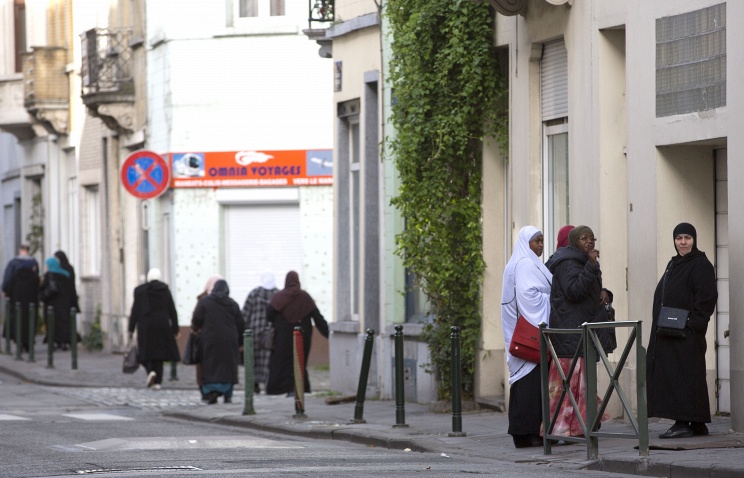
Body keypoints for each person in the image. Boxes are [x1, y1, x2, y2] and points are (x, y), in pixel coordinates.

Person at [647, 222, 717, 439]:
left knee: (685, 377)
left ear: (694, 240)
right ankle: (696, 422)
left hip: (687, 334)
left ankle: (682, 422)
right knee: (682, 377)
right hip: (671, 334)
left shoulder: (700, 264)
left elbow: (706, 299)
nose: (683, 242)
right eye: (679, 238)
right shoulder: (675, 263)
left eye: (687, 238)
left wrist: (692, 324)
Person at [546, 225, 611, 437]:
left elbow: (588, 291)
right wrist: (592, 266)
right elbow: (574, 291)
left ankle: (580, 427)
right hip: (570, 333)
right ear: (575, 241)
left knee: (582, 384)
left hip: (583, 330)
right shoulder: (568, 262)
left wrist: (604, 292)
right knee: (568, 385)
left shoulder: (583, 261)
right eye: (584, 238)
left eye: (592, 238)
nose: (589, 242)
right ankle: (558, 430)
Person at [501, 226, 552, 448]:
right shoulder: (524, 264)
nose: (540, 245)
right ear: (525, 243)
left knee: (528, 383)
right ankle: (529, 432)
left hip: (521, 330)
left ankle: (529, 432)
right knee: (529, 382)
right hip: (528, 333)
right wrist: (551, 299)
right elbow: (528, 297)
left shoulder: (525, 262)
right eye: (536, 241)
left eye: (542, 240)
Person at [266, 271, 329, 396]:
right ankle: (299, 388)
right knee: (299, 362)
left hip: (283, 337)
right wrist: (328, 334)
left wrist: (280, 322)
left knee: (282, 363)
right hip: (302, 335)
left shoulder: (278, 297)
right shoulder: (305, 297)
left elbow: (269, 314)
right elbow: (317, 317)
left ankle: (282, 388)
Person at [191, 279, 245, 404]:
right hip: (229, 339)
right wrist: (241, 342)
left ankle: (211, 390)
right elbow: (241, 324)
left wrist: (196, 329)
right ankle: (226, 392)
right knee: (228, 365)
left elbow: (197, 319)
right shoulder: (232, 304)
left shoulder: (205, 302)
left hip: (209, 339)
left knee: (210, 364)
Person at [128, 268, 181, 389]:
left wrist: (131, 328)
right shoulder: (165, 290)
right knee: (160, 355)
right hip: (162, 325)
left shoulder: (139, 291)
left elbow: (135, 310)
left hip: (145, 326)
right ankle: (158, 382)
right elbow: (172, 310)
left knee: (145, 353)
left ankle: (150, 372)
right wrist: (175, 329)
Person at [242, 272, 278, 394]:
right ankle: (268, 383)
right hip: (270, 333)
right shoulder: (277, 295)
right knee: (268, 360)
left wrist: (244, 330)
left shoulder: (254, 293)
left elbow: (245, 314)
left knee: (253, 360)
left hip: (254, 332)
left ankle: (254, 384)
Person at [1, 245, 40, 351]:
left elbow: (8, 278)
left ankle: (19, 342)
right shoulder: (34, 263)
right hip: (31, 297)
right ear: (28, 251)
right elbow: (37, 280)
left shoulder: (14, 263)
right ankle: (28, 343)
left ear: (20, 251)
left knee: (17, 319)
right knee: (29, 320)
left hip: (17, 297)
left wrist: (5, 290)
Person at [192, 274, 222, 400]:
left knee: (205, 365)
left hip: (205, 338)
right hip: (217, 338)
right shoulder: (223, 298)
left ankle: (206, 390)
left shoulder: (203, 299)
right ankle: (214, 389)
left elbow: (195, 319)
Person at [41, 257, 77, 350]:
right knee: (63, 323)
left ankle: (53, 342)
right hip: (64, 303)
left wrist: (43, 296)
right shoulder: (65, 274)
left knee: (52, 324)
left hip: (51, 304)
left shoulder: (49, 275)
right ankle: (63, 343)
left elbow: (49, 288)